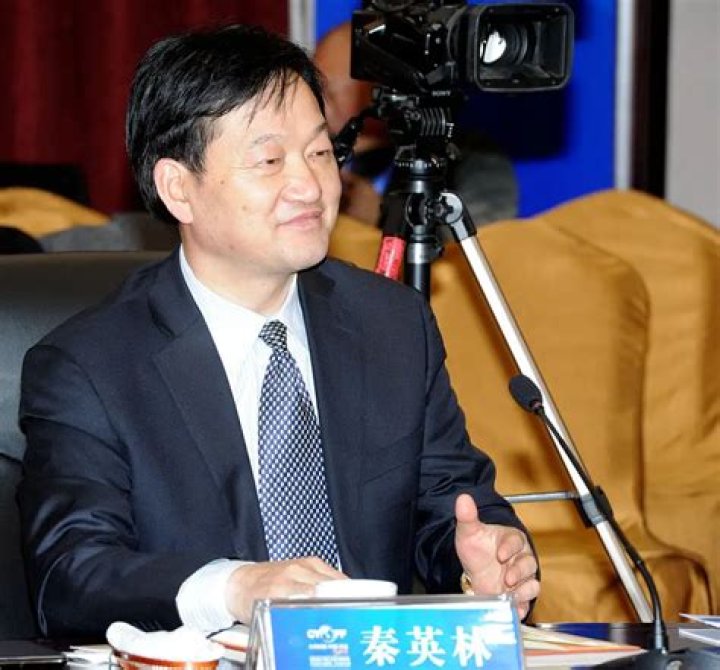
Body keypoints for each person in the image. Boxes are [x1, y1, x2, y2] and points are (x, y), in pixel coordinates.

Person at [17, 24, 538, 637]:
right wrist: (236, 587)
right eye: (269, 161)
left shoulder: (392, 325)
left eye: (320, 153)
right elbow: (71, 576)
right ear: (178, 189)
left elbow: (452, 504)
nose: (310, 186)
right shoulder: (89, 366)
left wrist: (482, 560)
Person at [314, 21, 519, 228]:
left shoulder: (473, 158)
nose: (317, 102)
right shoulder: (313, 155)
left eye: (328, 92)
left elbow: (484, 240)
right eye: (313, 88)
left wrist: (383, 217)